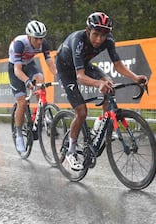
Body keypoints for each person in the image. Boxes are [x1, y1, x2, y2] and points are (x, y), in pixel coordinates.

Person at [55, 12, 148, 170]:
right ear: (87, 31)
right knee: (82, 112)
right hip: (66, 71)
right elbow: (80, 76)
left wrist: (135, 77)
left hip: (84, 65)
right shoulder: (78, 40)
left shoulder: (108, 40)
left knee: (109, 83)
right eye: (95, 34)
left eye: (103, 35)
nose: (99, 40)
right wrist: (98, 83)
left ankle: (101, 122)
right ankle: (71, 151)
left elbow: (118, 65)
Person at [8, 20, 56, 152]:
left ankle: (42, 112)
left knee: (40, 80)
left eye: (42, 38)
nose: (40, 42)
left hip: (29, 64)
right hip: (15, 68)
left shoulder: (43, 43)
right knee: (22, 103)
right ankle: (18, 134)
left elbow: (50, 62)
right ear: (29, 36)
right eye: (36, 39)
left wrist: (59, 76)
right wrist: (27, 81)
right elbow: (17, 71)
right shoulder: (19, 44)